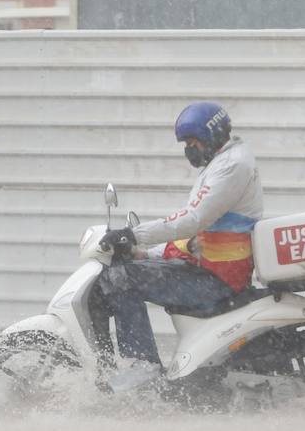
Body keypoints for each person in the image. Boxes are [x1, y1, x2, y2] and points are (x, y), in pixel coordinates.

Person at [93, 101, 263, 386]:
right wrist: (142, 251)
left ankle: (143, 364)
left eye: (192, 142)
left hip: (217, 280)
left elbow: (192, 219)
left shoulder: (230, 167)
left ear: (211, 136)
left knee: (121, 277)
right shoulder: (223, 163)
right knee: (128, 268)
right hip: (209, 270)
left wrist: (134, 234)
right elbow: (195, 237)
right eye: (186, 143)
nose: (189, 149)